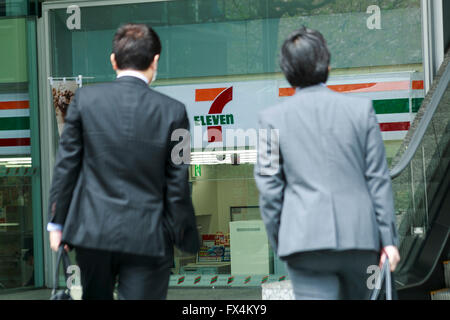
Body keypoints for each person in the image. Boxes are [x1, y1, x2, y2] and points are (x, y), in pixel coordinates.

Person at [47, 23, 199, 300]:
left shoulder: (84, 100)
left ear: (113, 61)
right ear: (155, 61)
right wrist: (182, 233)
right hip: (149, 236)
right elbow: (178, 182)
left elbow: (66, 166)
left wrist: (57, 224)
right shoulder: (176, 112)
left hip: (92, 233)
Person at [254, 27, 400, 300]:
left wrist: (283, 240)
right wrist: (388, 241)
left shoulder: (270, 120)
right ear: (327, 65)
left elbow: (269, 189)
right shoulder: (361, 111)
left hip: (304, 243)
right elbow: (377, 179)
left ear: (287, 72)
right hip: (360, 241)